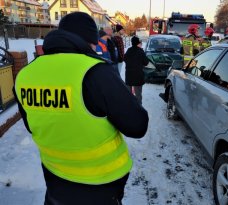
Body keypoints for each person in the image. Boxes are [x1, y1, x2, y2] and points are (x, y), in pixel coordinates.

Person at [14, 12, 148, 205]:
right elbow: (137, 126)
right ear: (89, 41)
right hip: (101, 183)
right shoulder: (95, 71)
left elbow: (31, 124)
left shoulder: (26, 75)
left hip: (55, 178)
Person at [124, 36, 149, 105]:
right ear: (138, 43)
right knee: (138, 94)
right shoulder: (140, 51)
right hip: (138, 75)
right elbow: (146, 62)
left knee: (129, 94)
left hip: (129, 75)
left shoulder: (129, 50)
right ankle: (138, 108)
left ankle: (129, 107)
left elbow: (124, 59)